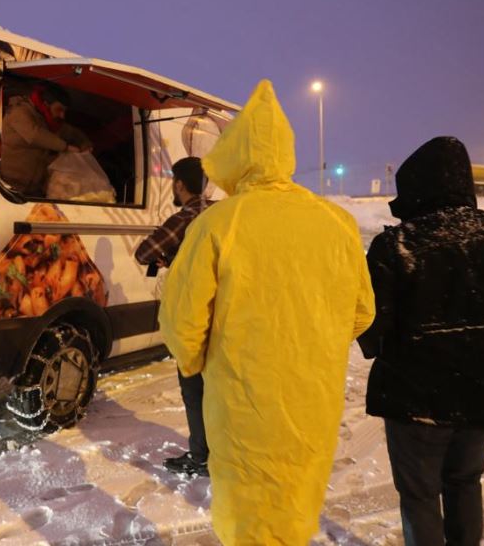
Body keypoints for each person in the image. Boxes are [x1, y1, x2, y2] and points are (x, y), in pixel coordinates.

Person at [158, 79, 375, 544]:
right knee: (296, 509)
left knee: (248, 517)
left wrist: (198, 364)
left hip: (242, 402)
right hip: (313, 401)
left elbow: (182, 324)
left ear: (235, 156)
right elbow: (362, 312)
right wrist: (315, 346)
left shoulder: (218, 223)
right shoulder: (337, 222)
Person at [357, 136, 484, 546]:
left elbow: (370, 325)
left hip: (417, 402)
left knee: (419, 493)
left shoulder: (398, 244)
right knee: (465, 479)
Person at [134, 156, 213, 477]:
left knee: (194, 389)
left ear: (180, 184)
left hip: (195, 316)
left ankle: (201, 456)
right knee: (221, 390)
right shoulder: (222, 211)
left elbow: (144, 253)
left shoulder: (186, 218)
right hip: (230, 314)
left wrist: (171, 258)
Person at [0, 82, 93, 195]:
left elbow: (72, 133)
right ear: (46, 104)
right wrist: (65, 147)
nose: (62, 115)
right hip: (6, 184)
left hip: (33, 190)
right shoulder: (19, 112)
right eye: (59, 110)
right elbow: (35, 135)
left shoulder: (50, 122)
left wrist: (85, 143)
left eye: (64, 111)